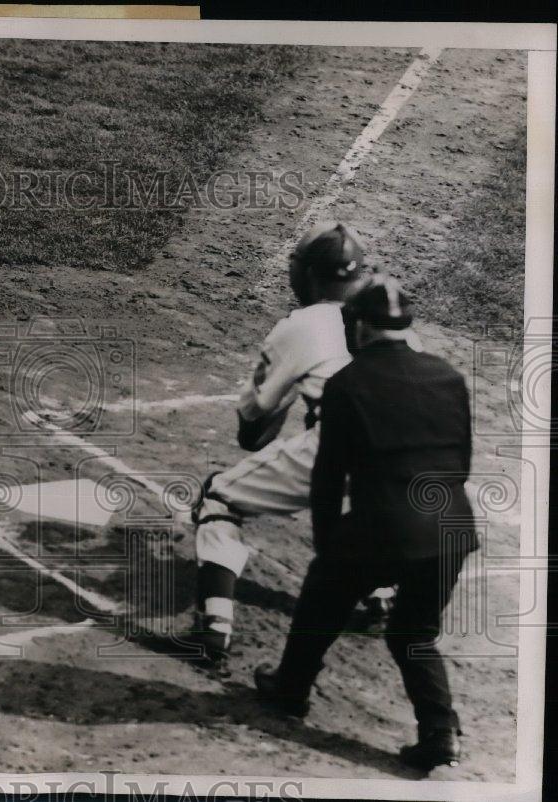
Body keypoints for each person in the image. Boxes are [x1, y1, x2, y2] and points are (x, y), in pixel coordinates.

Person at [254, 275, 479, 772]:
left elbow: (330, 477)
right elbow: (460, 463)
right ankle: (440, 732)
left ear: (358, 327)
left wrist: (327, 547)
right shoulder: (448, 375)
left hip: (384, 527)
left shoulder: (347, 383)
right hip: (452, 528)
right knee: (414, 632)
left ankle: (290, 690)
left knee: (322, 592)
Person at [188, 222, 398, 660]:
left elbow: (252, 431)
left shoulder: (301, 324)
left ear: (307, 275)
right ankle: (381, 595)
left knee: (219, 496)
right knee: (358, 504)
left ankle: (214, 628)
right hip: (412, 451)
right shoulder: (389, 313)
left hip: (338, 445)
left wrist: (285, 396)